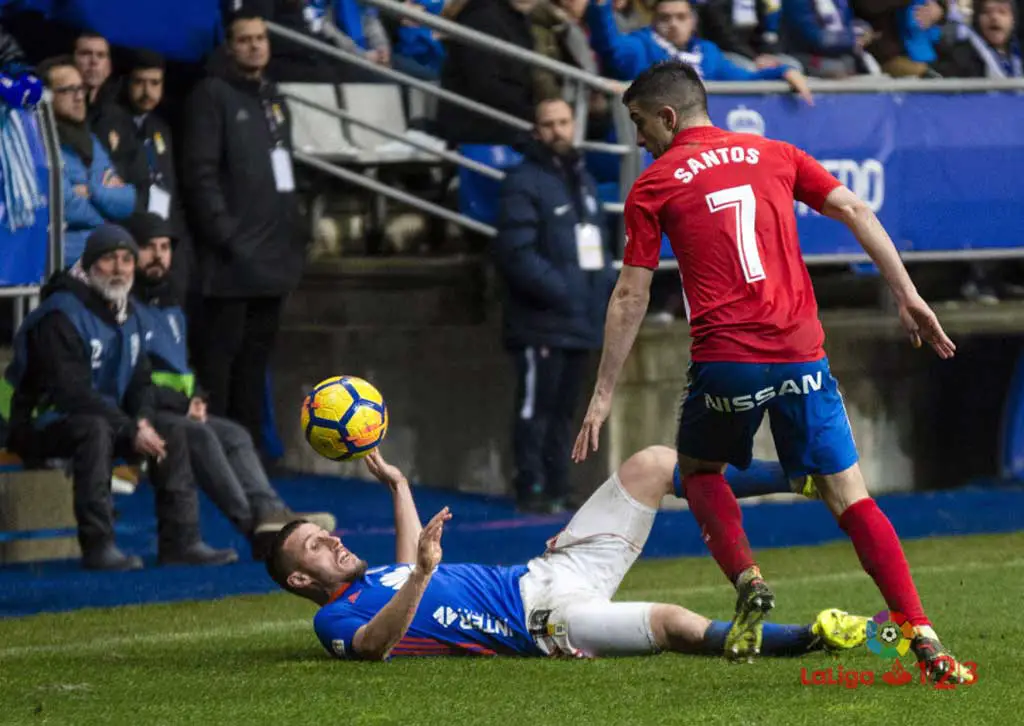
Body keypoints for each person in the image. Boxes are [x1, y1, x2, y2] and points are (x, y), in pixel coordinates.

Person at [571, 60, 971, 684]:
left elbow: (629, 297)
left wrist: (601, 396)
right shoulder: (775, 152)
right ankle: (922, 632)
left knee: (699, 472)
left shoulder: (654, 184)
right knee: (851, 496)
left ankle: (748, 577)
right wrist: (909, 294)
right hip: (802, 356)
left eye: (640, 122)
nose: (639, 138)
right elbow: (856, 209)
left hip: (726, 362)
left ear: (669, 116)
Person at [266, 446, 868, 660]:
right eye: (317, 546)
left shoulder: (389, 575)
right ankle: (811, 636)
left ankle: (803, 478)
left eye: (327, 533)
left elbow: (406, 562)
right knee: (673, 623)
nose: (334, 540)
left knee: (652, 465)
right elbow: (375, 646)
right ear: (299, 581)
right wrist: (423, 575)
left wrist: (398, 486)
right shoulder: (334, 619)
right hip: (543, 625)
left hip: (548, 572)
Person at [2, 225, 238, 571]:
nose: (119, 268)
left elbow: (140, 382)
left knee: (169, 428)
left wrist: (141, 420)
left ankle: (181, 541)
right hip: (38, 423)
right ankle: (98, 545)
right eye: (109, 259)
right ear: (89, 265)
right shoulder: (60, 314)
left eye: (127, 259)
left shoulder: (126, 312)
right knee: (94, 428)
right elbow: (72, 394)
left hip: (104, 417)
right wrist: (130, 429)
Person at [126, 212, 337, 557]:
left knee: (235, 434)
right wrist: (182, 404)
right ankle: (255, 526)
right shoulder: (126, 309)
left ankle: (271, 512)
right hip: (145, 412)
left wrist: (196, 397)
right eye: (149, 247)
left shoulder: (169, 308)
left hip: (178, 408)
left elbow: (183, 369)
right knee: (203, 434)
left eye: (164, 247)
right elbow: (131, 381)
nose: (159, 255)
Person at [182, 14, 306, 454]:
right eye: (245, 40)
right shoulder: (211, 95)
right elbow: (200, 176)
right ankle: (213, 454)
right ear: (229, 46)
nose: (255, 47)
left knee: (255, 365)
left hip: (273, 260)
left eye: (261, 39)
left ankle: (249, 454)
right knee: (219, 365)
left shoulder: (273, 98)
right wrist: (227, 237)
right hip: (230, 263)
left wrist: (294, 237)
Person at [493, 98, 616, 514]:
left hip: (580, 320)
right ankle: (531, 485)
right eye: (549, 124)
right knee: (536, 408)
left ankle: (560, 485)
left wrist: (597, 297)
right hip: (540, 322)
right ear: (536, 129)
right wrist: (567, 292)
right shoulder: (523, 181)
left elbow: (598, 247)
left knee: (565, 412)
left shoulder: (582, 179)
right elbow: (517, 255)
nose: (558, 131)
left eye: (564, 121)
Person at [38, 56, 136, 266]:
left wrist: (91, 191)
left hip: (102, 260)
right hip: (63, 262)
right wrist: (106, 219)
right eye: (68, 90)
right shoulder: (38, 142)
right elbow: (63, 205)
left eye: (81, 88)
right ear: (47, 96)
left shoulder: (90, 141)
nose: (79, 97)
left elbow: (127, 200)